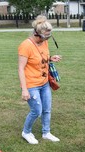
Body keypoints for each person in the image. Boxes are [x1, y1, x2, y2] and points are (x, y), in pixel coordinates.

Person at [18, 15, 62, 144]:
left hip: (44, 83)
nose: (46, 39)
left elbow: (40, 57)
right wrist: (24, 90)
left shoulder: (44, 42)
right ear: (37, 33)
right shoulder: (25, 46)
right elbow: (21, 69)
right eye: (45, 36)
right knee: (36, 111)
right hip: (31, 85)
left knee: (47, 109)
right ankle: (26, 132)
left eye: (49, 36)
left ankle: (46, 132)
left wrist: (50, 58)